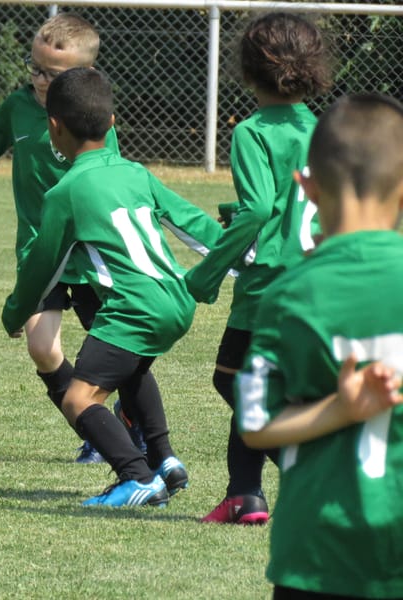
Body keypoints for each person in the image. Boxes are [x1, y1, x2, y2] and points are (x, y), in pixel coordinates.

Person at [0, 12, 144, 463]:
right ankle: (97, 432)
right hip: (40, 253)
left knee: (114, 354)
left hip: (91, 251)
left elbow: (113, 179)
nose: (40, 80)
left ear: (85, 75)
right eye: (35, 68)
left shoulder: (93, 120)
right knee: (43, 349)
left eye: (52, 74)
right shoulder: (18, 107)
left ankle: (134, 429)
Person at [2, 67, 222, 506]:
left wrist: (13, 313)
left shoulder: (65, 193)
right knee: (132, 371)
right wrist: (245, 258)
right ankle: (164, 460)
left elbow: (41, 270)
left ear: (53, 127)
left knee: (79, 399)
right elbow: (193, 223)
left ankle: (135, 477)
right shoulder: (135, 173)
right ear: (113, 123)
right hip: (175, 297)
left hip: (133, 308)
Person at [236, 93, 403, 599]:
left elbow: (256, 425)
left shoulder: (288, 294)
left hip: (315, 553)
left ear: (306, 187)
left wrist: (340, 409)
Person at [183, 12, 331, 524]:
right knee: (258, 386)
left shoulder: (251, 131)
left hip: (270, 283)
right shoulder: (325, 130)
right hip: (317, 277)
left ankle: (316, 473)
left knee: (233, 383)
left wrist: (204, 275)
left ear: (246, 71)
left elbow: (259, 209)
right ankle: (243, 494)